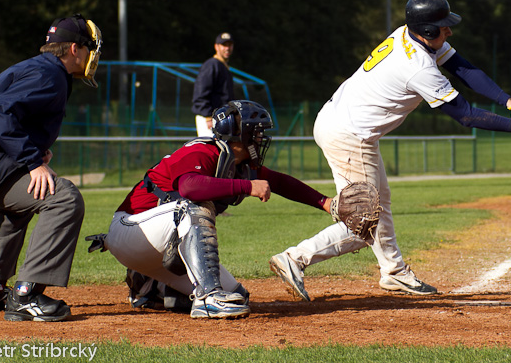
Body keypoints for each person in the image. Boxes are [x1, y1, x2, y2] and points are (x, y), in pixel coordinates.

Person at [269, 0, 511, 302]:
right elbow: (465, 115)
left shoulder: (407, 34)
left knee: (380, 204)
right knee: (364, 219)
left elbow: (464, 68)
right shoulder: (418, 66)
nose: (449, 31)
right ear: (427, 31)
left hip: (344, 124)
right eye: (443, 27)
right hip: (349, 134)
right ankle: (295, 259)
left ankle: (394, 271)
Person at [93, 100, 334, 319]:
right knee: (193, 206)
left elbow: (280, 182)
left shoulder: (236, 163)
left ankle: (150, 289)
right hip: (129, 231)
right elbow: (189, 187)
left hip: (154, 248)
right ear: (242, 134)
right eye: (257, 132)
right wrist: (247, 187)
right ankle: (208, 298)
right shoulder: (203, 151)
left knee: (237, 295)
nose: (261, 139)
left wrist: (326, 203)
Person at [0, 14, 103, 322]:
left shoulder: (36, 67)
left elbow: (2, 113)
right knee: (63, 197)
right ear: (73, 49)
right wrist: (31, 161)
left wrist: (33, 152)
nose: (91, 55)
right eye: (88, 48)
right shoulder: (50, 75)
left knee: (26, 197)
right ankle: (27, 295)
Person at [191, 32, 235, 136]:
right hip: (210, 119)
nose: (227, 48)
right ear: (216, 47)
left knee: (223, 151)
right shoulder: (211, 65)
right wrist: (207, 117)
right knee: (211, 151)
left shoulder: (224, 66)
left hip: (221, 118)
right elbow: (200, 94)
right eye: (224, 45)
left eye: (230, 45)